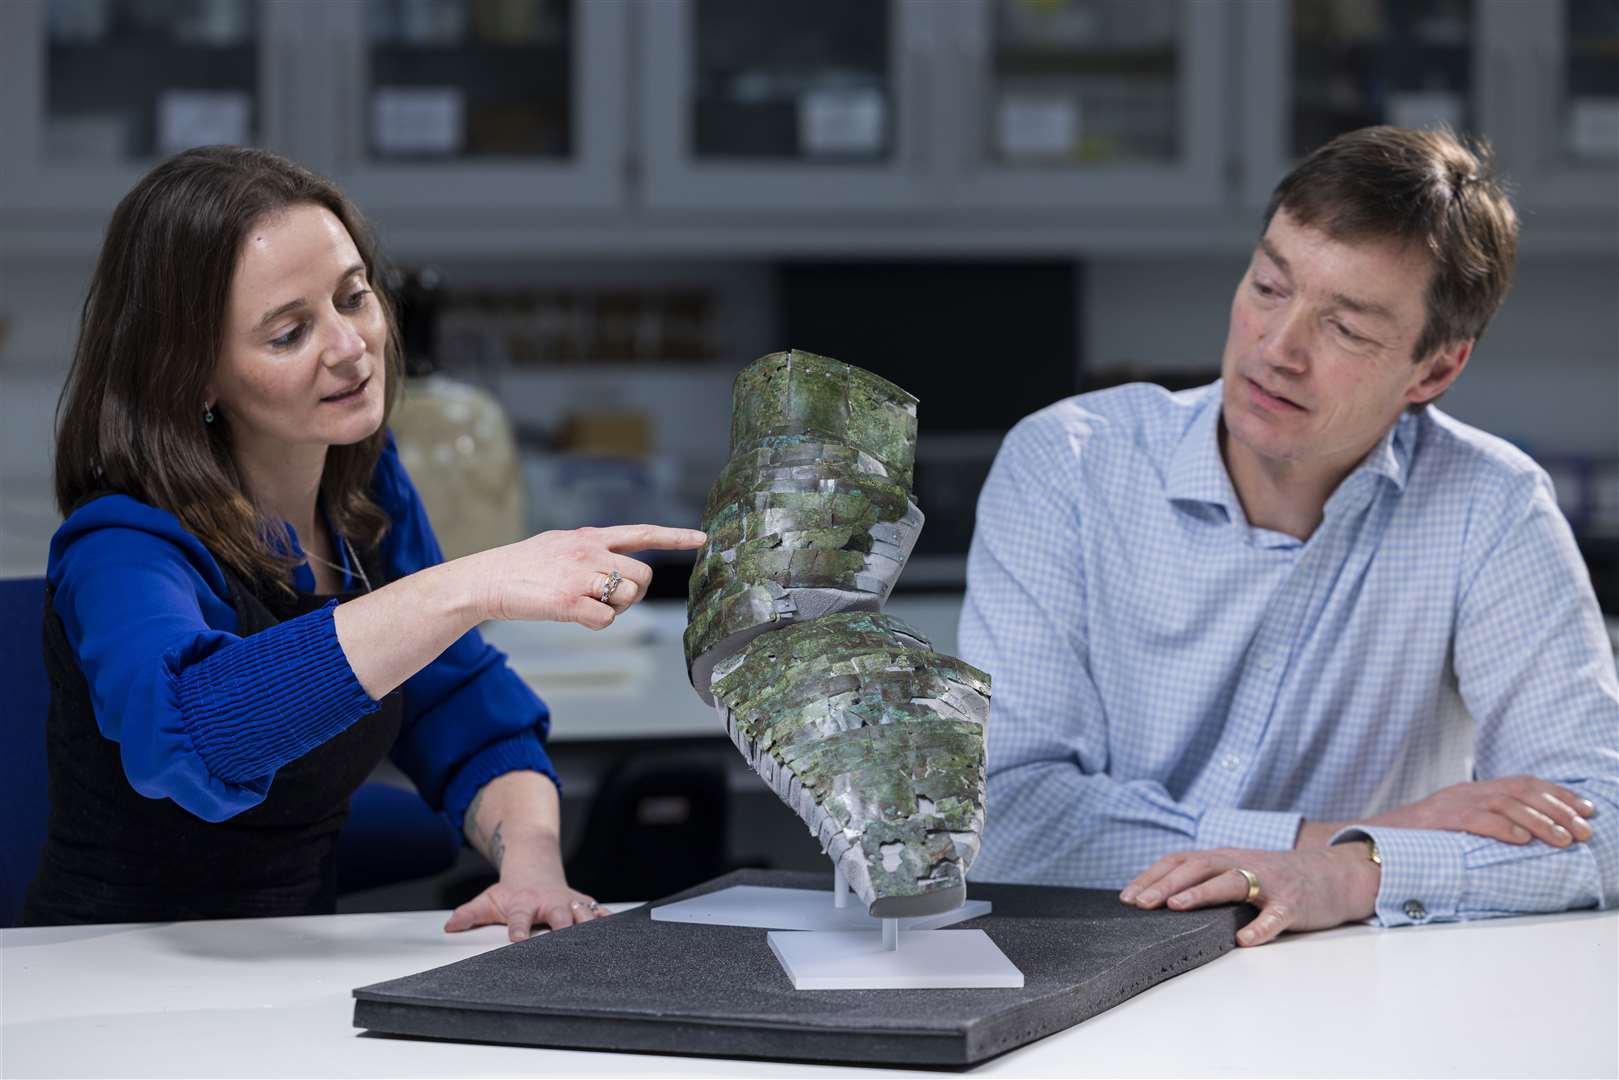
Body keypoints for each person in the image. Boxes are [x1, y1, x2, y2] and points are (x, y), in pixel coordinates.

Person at [21, 146, 706, 938]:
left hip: (287, 962)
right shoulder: (119, 544)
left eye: (355, 297)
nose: (351, 346)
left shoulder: (366, 491)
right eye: (289, 333)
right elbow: (196, 732)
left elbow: (462, 711)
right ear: (194, 376)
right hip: (109, 973)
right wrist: (465, 587)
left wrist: (531, 871)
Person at [960, 126, 1617, 946]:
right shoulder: (1069, 462)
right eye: (1269, 286)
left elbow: (1603, 823)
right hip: (1085, 972)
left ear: (1434, 370)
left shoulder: (1490, 504)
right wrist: (1337, 841)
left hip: (1357, 998)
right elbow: (1009, 815)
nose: (1276, 350)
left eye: (1344, 329)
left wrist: (1345, 875)